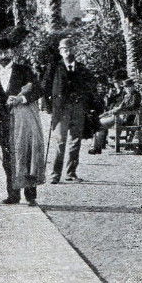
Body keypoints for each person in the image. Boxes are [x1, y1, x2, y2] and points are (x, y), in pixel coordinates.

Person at [0, 37, 44, 205]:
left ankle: (30, 195)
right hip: (1, 123)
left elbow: (38, 90)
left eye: (6, 51)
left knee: (26, 154)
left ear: (12, 52)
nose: (3, 55)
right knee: (8, 159)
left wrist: (22, 98)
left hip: (22, 122)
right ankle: (13, 195)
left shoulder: (24, 70)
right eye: (0, 52)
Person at [42, 37, 94, 184]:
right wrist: (49, 107)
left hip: (78, 109)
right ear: (61, 51)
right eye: (65, 49)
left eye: (70, 49)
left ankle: (71, 173)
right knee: (60, 141)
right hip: (61, 110)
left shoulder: (82, 68)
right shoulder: (54, 68)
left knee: (75, 141)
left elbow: (89, 88)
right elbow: (45, 87)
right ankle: (54, 175)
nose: (68, 52)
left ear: (75, 50)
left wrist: (86, 105)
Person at [90, 71, 142, 154]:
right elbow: (120, 106)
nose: (128, 88)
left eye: (130, 87)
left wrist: (120, 109)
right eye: (126, 87)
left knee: (99, 124)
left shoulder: (136, 95)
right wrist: (115, 109)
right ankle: (96, 147)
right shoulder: (126, 96)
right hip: (119, 116)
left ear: (133, 86)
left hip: (126, 118)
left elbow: (133, 106)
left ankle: (96, 147)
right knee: (99, 125)